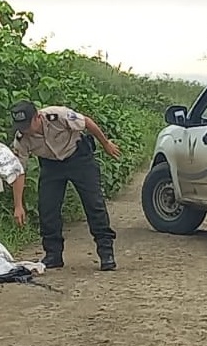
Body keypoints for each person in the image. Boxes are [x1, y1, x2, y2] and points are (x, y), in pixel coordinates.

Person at [9, 100, 122, 271]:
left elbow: (87, 122)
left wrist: (106, 144)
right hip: (51, 165)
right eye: (20, 126)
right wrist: (18, 205)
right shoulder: (21, 138)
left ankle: (106, 252)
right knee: (47, 208)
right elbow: (19, 171)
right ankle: (53, 255)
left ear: (37, 117)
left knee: (94, 204)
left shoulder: (58, 115)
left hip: (79, 157)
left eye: (27, 125)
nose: (24, 130)